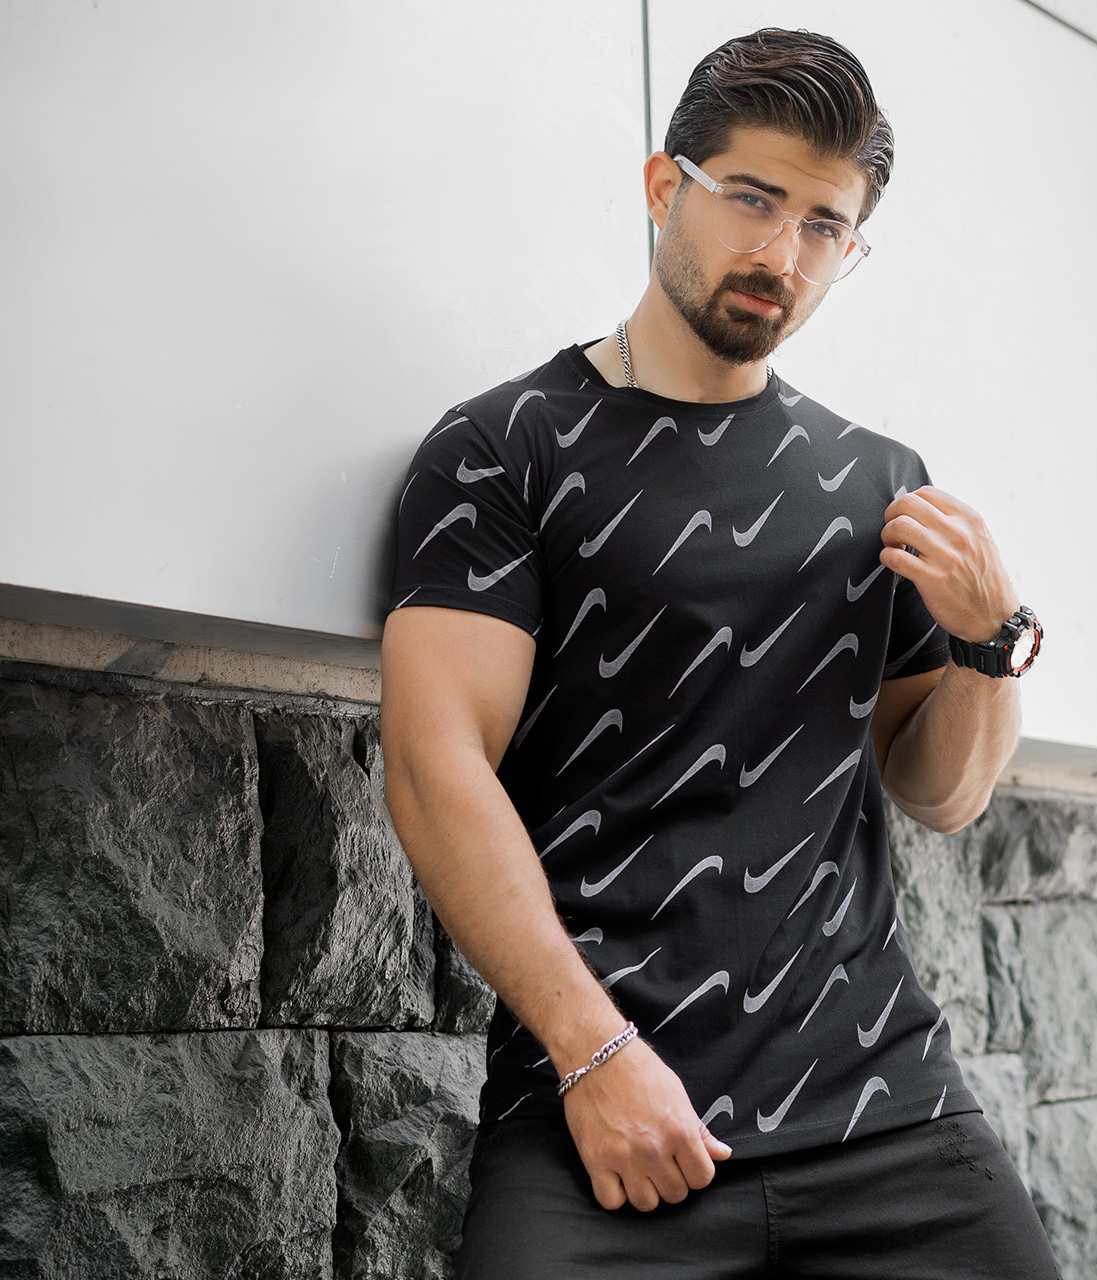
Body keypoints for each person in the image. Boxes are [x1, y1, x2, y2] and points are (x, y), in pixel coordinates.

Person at [381, 26, 1056, 1279]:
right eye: (751, 198)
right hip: (601, 1109)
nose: (780, 253)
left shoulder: (877, 482)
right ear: (663, 186)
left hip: (882, 1115)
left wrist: (990, 638)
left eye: (823, 225)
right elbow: (434, 769)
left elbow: (939, 792)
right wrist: (593, 1054)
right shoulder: (505, 447)